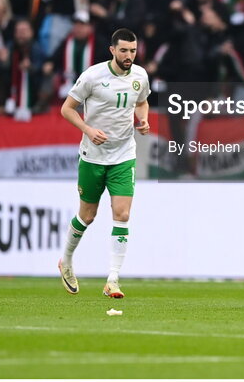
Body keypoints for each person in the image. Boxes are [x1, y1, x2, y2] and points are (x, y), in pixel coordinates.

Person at [58, 28, 150, 298]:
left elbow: (142, 102)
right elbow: (67, 109)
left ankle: (113, 279)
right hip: (93, 156)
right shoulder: (93, 76)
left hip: (124, 155)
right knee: (87, 215)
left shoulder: (140, 76)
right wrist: (87, 130)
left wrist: (143, 119)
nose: (128, 56)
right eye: (123, 50)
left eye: (132, 51)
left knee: (122, 214)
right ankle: (66, 260)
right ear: (112, 50)